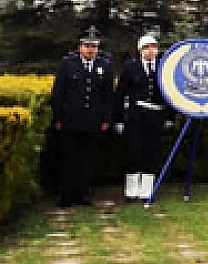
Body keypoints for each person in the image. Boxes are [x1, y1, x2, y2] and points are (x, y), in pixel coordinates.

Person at [50, 26, 115, 207]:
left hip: (93, 121)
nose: (90, 49)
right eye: (87, 46)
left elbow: (108, 95)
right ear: (80, 47)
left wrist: (106, 119)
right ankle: (67, 196)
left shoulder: (105, 65)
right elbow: (58, 93)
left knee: (87, 161)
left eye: (94, 46)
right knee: (68, 160)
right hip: (70, 120)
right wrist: (57, 118)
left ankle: (84, 195)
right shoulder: (67, 63)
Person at [113, 34, 173, 203]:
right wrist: (118, 119)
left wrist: (169, 116)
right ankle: (132, 191)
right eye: (146, 47)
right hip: (135, 116)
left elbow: (171, 93)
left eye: (153, 47)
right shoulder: (130, 68)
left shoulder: (164, 67)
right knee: (133, 153)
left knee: (151, 153)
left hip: (156, 116)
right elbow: (120, 94)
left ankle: (147, 191)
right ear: (140, 50)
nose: (150, 50)